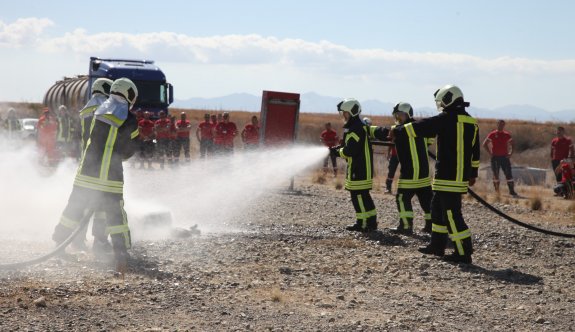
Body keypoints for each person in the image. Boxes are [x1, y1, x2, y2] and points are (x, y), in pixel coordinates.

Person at [52, 77, 140, 272]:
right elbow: (130, 148)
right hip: (110, 176)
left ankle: (59, 243)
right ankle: (121, 252)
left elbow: (88, 141)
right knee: (115, 213)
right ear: (127, 93)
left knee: (74, 208)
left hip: (87, 173)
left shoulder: (97, 111)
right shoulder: (129, 117)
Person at [390, 85, 480, 264]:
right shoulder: (471, 121)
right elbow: (475, 151)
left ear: (449, 99)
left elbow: (423, 127)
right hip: (453, 176)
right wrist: (473, 173)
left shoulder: (446, 118)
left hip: (448, 176)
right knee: (437, 210)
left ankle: (463, 252)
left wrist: (398, 130)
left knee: (452, 214)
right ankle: (437, 246)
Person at [330, 98, 383, 232]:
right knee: (364, 196)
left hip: (359, 169)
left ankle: (362, 224)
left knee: (358, 196)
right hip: (362, 168)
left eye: (345, 113)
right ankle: (370, 222)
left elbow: (350, 151)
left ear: (351, 113)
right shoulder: (359, 126)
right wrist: (340, 148)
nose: (344, 116)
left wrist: (337, 152)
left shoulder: (355, 128)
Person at [77, 77, 114, 252]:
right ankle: (100, 242)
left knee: (82, 202)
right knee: (102, 204)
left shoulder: (86, 109)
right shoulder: (104, 108)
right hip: (100, 162)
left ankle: (77, 240)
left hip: (86, 161)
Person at [387, 102, 433, 234]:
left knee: (402, 198)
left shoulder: (401, 130)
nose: (397, 119)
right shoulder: (420, 127)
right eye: (396, 116)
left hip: (410, 173)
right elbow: (430, 139)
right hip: (424, 173)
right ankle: (431, 226)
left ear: (406, 114)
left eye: (399, 116)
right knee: (426, 200)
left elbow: (391, 134)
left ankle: (406, 226)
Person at [482, 120, 518, 196]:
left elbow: (513, 144)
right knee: (496, 174)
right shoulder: (492, 134)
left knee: (508, 174)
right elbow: (484, 144)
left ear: (504, 125)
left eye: (502, 125)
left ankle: (512, 191)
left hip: (505, 158)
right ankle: (497, 192)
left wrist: (510, 153)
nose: (501, 126)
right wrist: (490, 153)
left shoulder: (507, 134)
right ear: (497, 124)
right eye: (500, 124)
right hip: (495, 157)